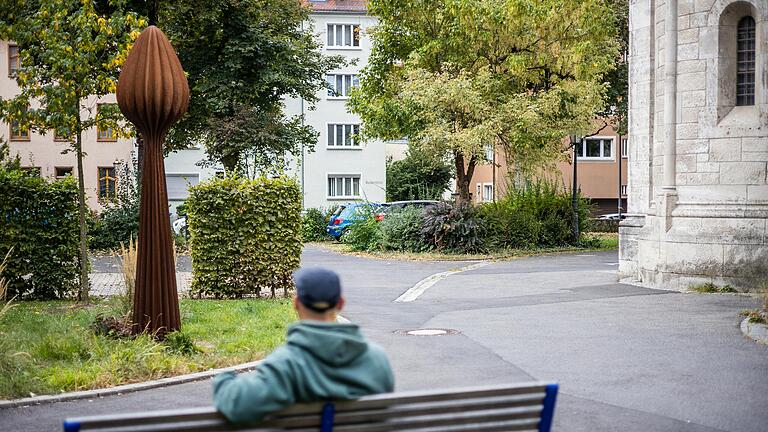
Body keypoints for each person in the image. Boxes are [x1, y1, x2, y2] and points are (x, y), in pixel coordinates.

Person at [212, 267, 394, 424]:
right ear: (340, 303)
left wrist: (224, 378)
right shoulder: (377, 359)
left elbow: (237, 405)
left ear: (296, 304)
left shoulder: (286, 363)